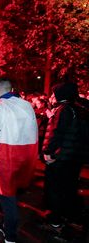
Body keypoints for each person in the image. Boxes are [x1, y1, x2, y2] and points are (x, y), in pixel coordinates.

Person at [0, 78, 38, 243]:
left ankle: (10, 235)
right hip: (25, 156)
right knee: (13, 195)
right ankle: (6, 223)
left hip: (5, 158)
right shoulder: (27, 105)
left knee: (6, 197)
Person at [42, 82, 89, 229]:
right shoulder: (79, 108)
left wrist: (49, 152)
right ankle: (67, 215)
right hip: (74, 156)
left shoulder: (64, 110)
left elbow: (58, 133)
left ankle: (55, 220)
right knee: (68, 187)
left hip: (61, 156)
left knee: (56, 188)